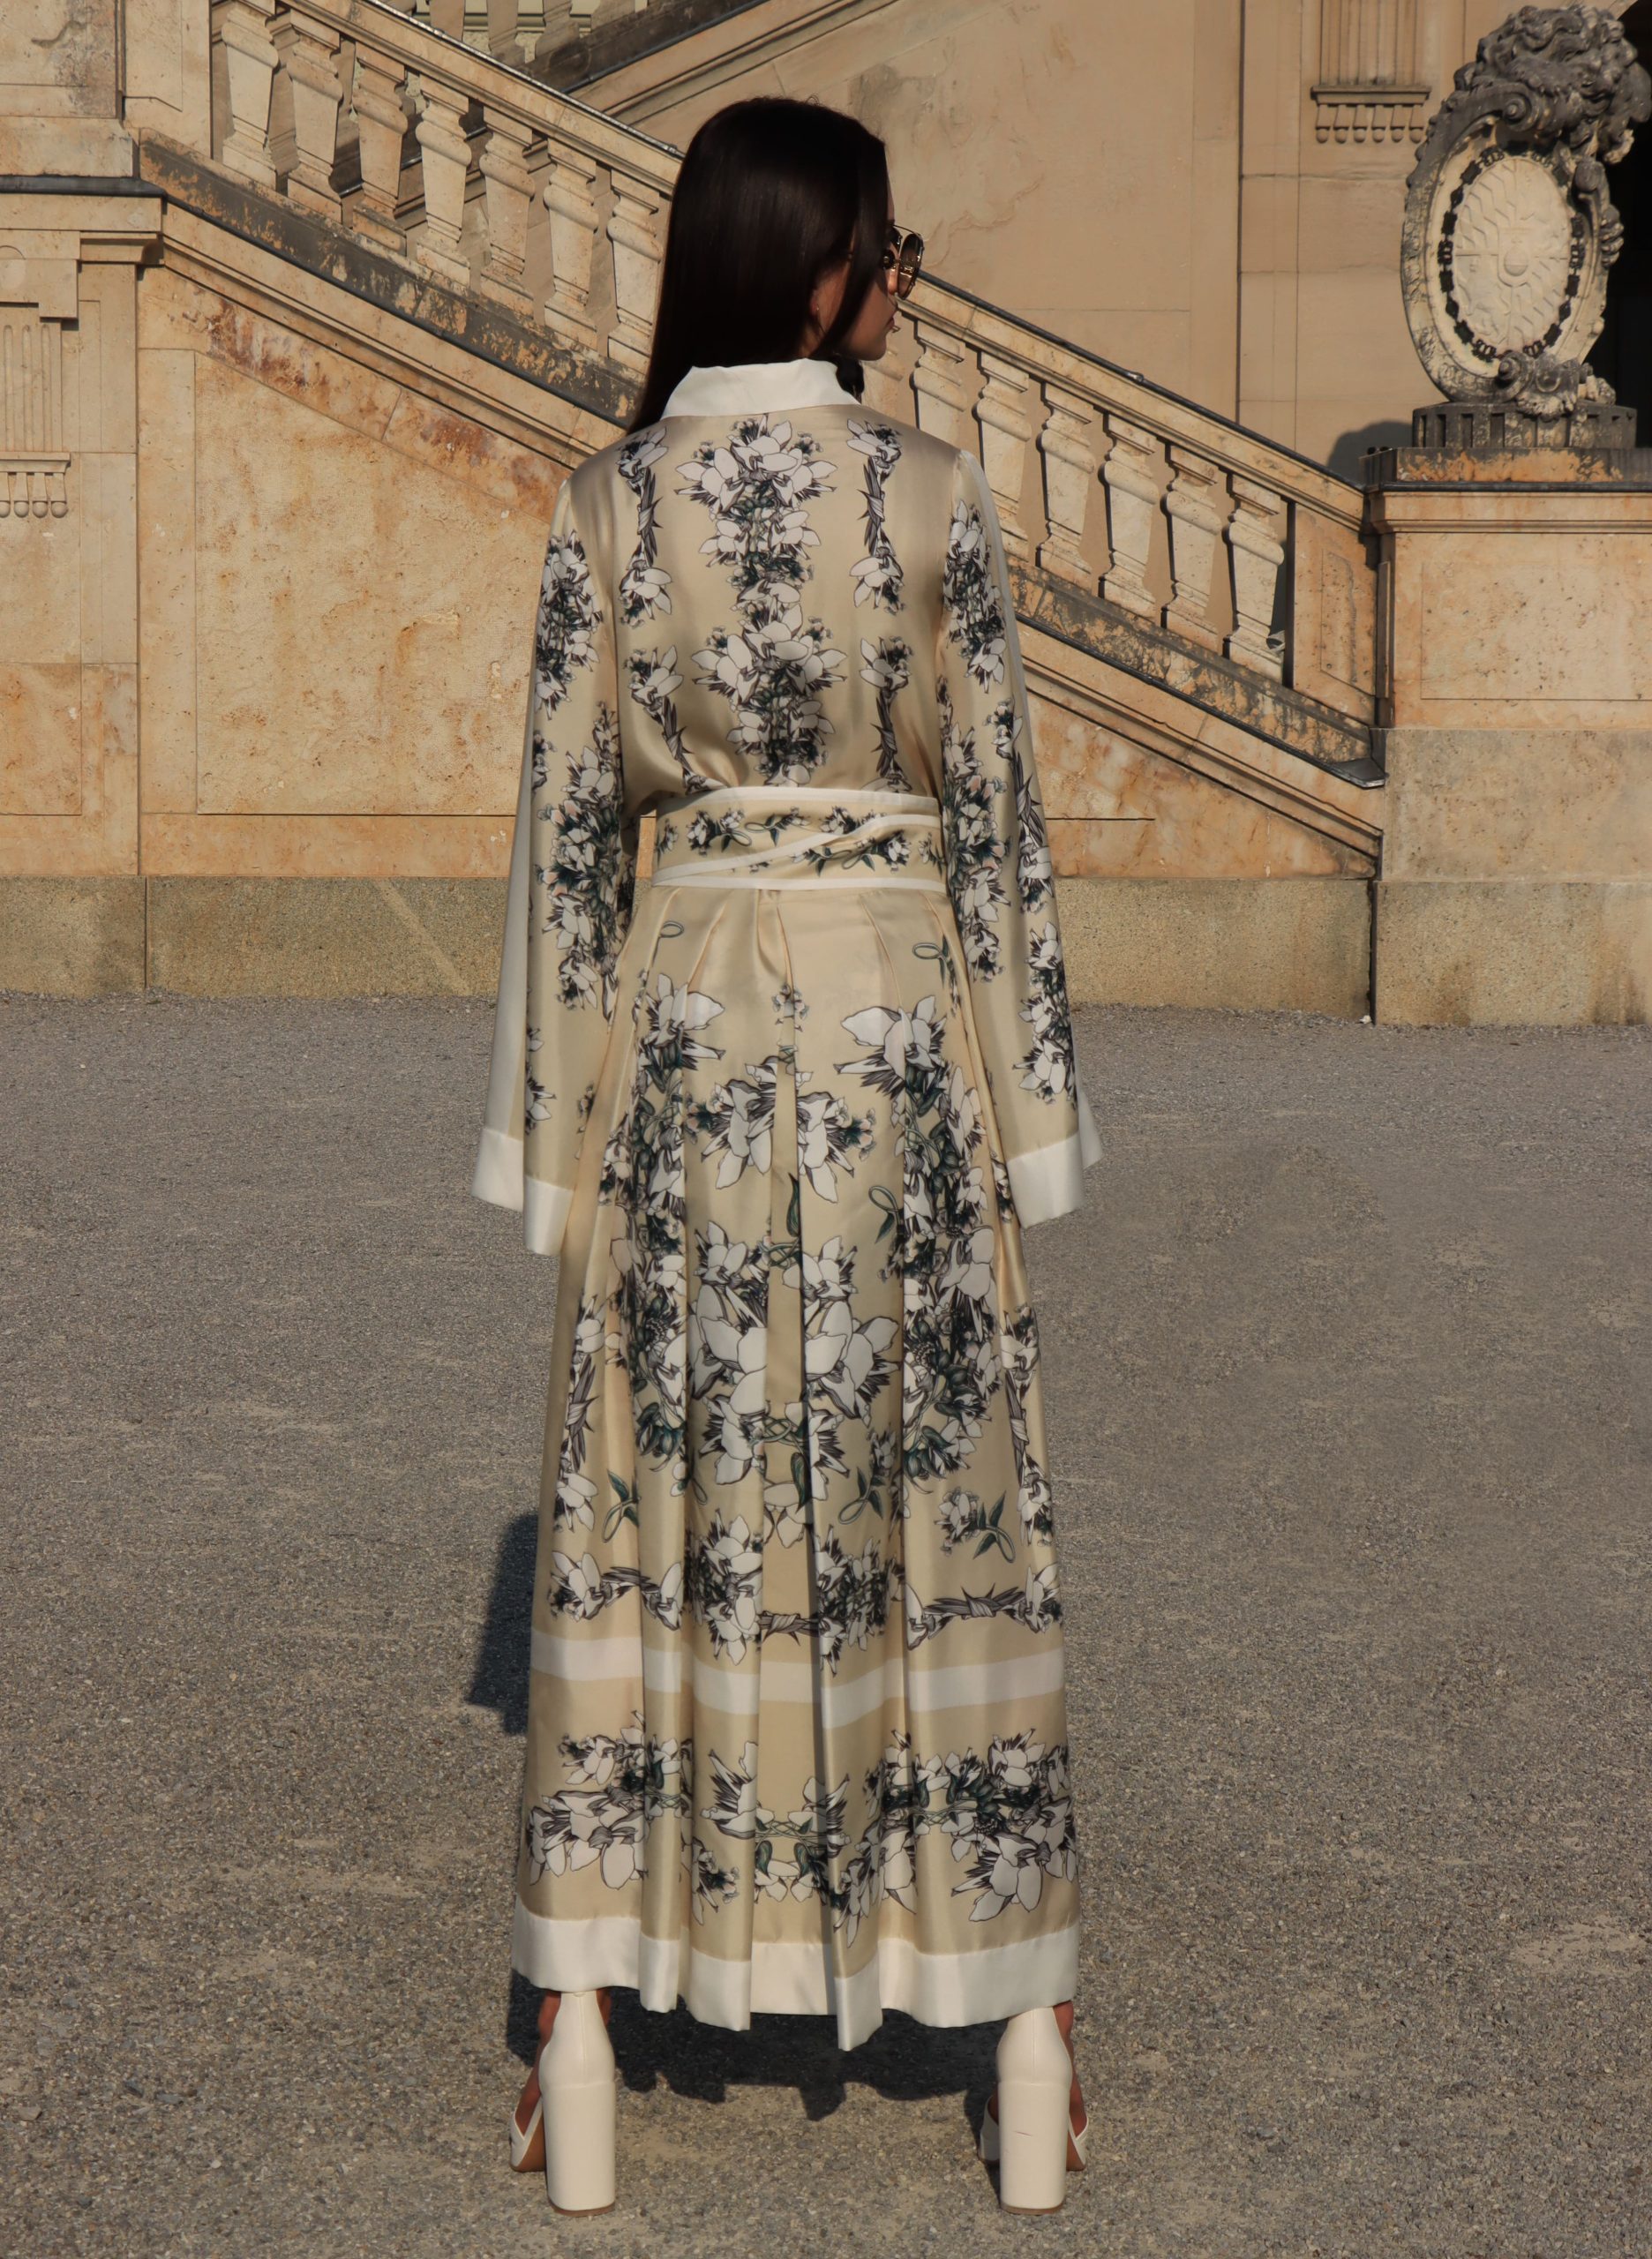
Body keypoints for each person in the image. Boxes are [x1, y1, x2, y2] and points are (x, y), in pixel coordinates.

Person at [472, 93, 1101, 2217]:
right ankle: (1022, 2035)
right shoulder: (933, 495)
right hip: (899, 1035)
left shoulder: (607, 504)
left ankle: (584, 2030)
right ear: (818, 267)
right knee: (937, 1489)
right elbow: (997, 821)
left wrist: (550, 1142)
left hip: (685, 1037)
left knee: (660, 1489)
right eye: (889, 250)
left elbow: (568, 842)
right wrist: (1035, 1115)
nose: (902, 282)